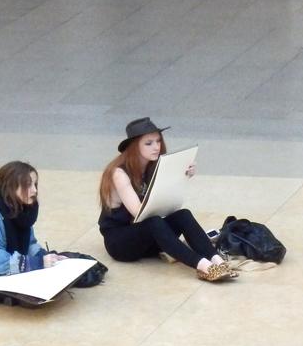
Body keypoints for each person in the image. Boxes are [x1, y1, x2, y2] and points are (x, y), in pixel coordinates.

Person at [98, 117, 236, 282]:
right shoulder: (119, 173)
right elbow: (139, 213)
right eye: (148, 143)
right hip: (121, 243)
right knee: (154, 222)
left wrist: (181, 175)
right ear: (134, 147)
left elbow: (165, 201)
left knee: (183, 215)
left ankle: (217, 260)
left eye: (158, 141)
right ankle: (204, 267)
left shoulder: (153, 165)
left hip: (147, 239)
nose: (156, 147)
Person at [0, 161, 66, 302]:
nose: (34, 191)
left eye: (35, 184)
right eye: (28, 185)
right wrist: (38, 263)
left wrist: (46, 257)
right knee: (34, 292)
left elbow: (30, 243)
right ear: (12, 188)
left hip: (7, 269)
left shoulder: (21, 209)